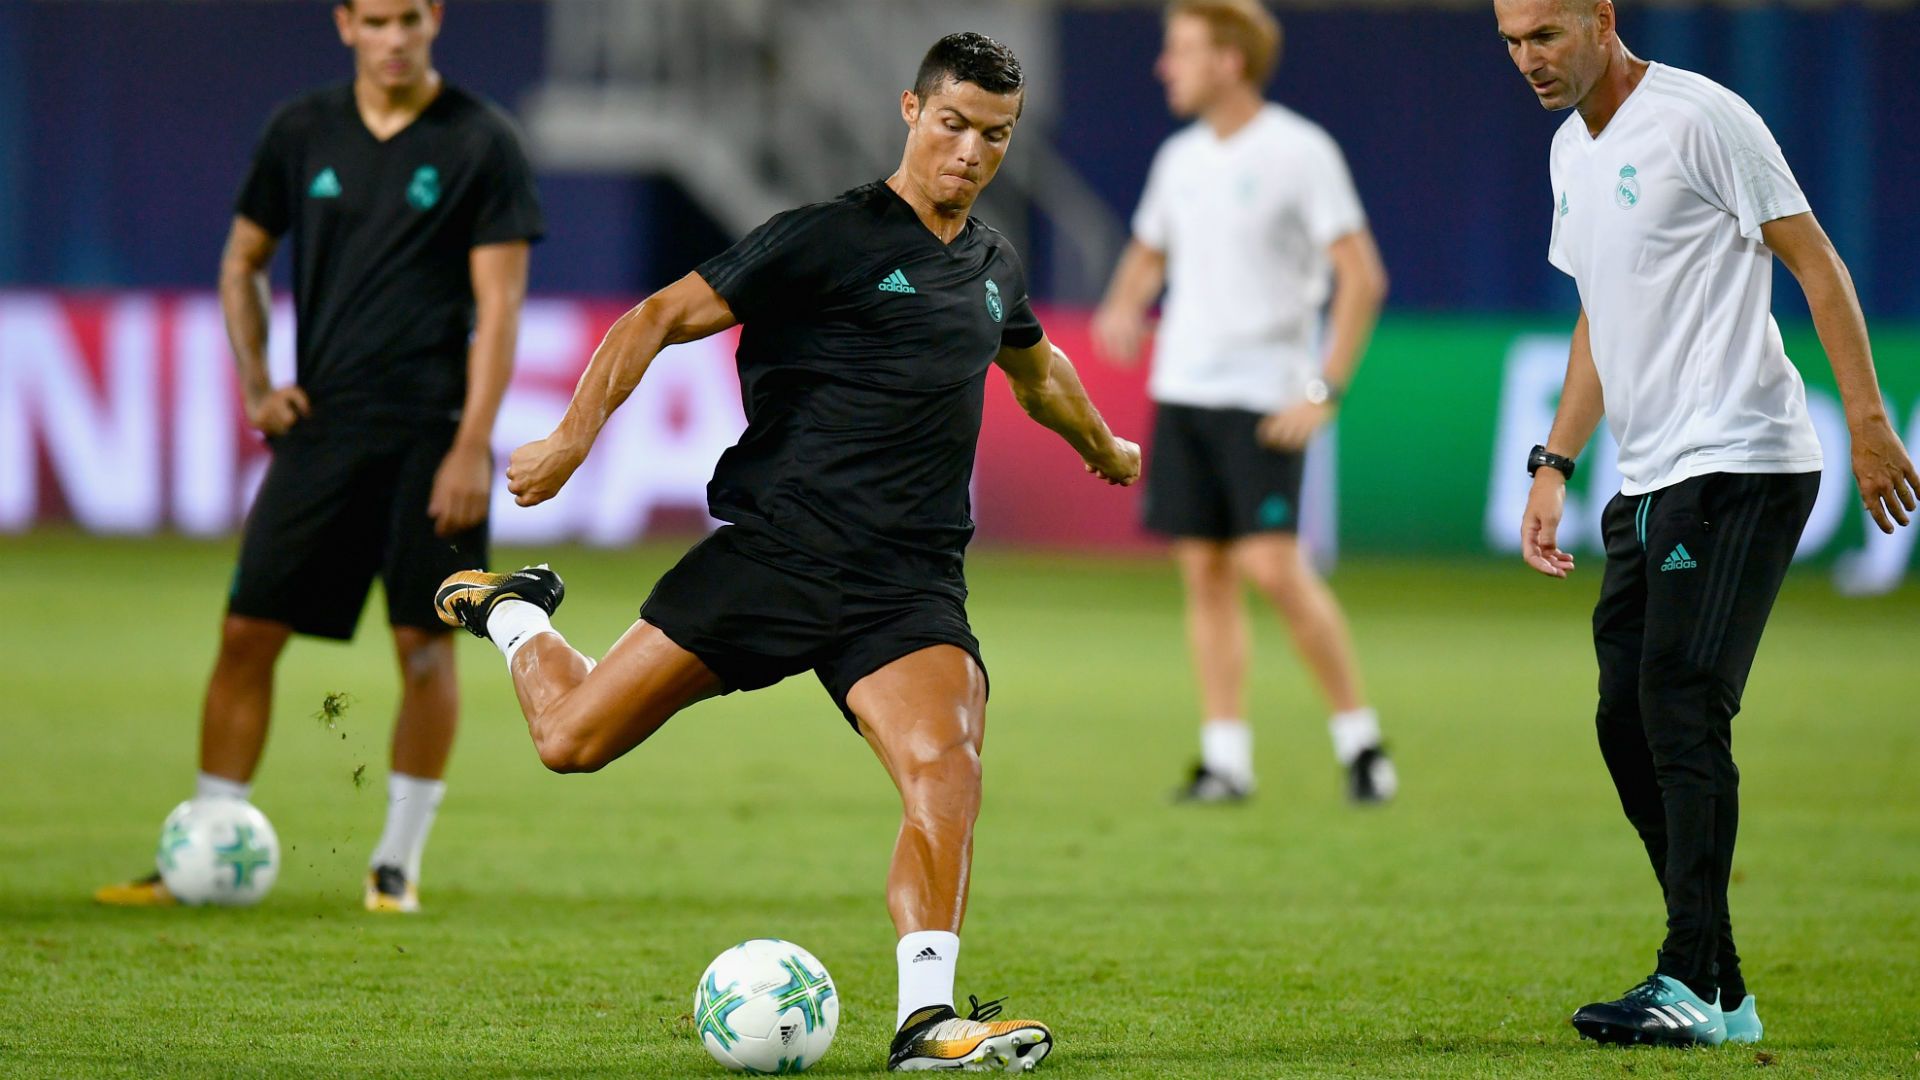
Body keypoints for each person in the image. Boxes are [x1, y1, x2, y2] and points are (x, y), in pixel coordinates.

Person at [434, 32, 1138, 1073]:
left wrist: (1104, 447)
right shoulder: (826, 238)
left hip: (906, 585)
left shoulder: (993, 266)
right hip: (780, 554)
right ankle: (514, 610)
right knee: (570, 740)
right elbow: (657, 316)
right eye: (953, 125)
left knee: (946, 767)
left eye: (995, 136)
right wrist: (574, 440)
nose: (971, 152)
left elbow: (1038, 374)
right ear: (911, 111)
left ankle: (927, 1020)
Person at [1497, 0, 1918, 1047]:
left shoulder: (1701, 117)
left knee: (1680, 701)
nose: (1527, 59)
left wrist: (1869, 421)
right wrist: (1555, 462)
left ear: (1602, 19)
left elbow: (1816, 262)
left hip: (1743, 460)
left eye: (1545, 35)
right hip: (1648, 476)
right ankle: (1718, 987)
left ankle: (1688, 976)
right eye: (1511, 40)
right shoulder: (1568, 153)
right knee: (1624, 721)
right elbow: (1599, 315)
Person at [96, 0, 543, 914]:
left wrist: (470, 445)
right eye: (375, 20)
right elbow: (241, 261)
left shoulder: (481, 140)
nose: (394, 38)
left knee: (426, 647)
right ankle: (203, 846)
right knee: (246, 633)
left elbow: (500, 308)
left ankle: (395, 866)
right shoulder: (301, 131)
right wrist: (259, 383)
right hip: (324, 428)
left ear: (435, 18)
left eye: (409, 18)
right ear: (344, 24)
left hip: (431, 435)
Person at [1091, 0, 1396, 805]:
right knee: (1205, 574)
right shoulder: (1179, 158)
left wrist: (1324, 389)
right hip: (1184, 389)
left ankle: (1362, 744)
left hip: (1263, 396)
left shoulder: (1300, 151)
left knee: (1273, 568)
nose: (1165, 66)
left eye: (1181, 50)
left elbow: (1361, 277)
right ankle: (1226, 760)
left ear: (1229, 61)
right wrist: (1123, 303)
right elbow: (1149, 251)